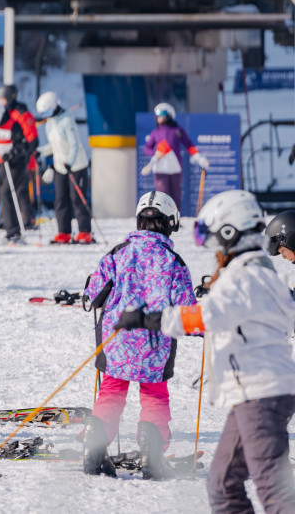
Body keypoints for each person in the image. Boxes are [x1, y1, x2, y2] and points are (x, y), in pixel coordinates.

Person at [115, 190, 295, 512]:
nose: (213, 251)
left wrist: (146, 318)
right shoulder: (258, 274)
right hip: (252, 395)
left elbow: (203, 317)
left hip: (261, 394)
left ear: (230, 235)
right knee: (223, 485)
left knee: (274, 490)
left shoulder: (245, 276)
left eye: (214, 241)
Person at [80, 191, 195, 478]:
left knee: (111, 391)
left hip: (116, 337)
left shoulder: (118, 252)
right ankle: (152, 452)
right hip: (155, 340)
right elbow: (187, 310)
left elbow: (92, 295)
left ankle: (94, 447)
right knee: (155, 394)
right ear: (170, 223)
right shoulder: (173, 261)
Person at [36, 92, 93, 244]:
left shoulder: (67, 120)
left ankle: (85, 232)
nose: (45, 115)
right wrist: (39, 151)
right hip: (60, 166)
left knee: (77, 199)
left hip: (76, 165)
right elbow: (54, 145)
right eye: (43, 113)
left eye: (47, 112)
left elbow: (74, 144)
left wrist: (69, 161)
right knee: (60, 199)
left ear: (54, 106)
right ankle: (64, 232)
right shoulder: (50, 122)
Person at [0, 99, 32, 243]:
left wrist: (12, 154)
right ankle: (10, 226)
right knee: (3, 193)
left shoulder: (13, 125)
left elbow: (23, 147)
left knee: (6, 193)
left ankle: (13, 232)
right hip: (0, 164)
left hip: (15, 164)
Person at [142, 103, 209, 213]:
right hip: (160, 169)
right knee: (162, 196)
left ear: (169, 115)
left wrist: (200, 158)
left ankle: (176, 219)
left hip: (175, 169)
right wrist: (155, 153)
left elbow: (189, 145)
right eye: (157, 115)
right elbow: (147, 149)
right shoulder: (155, 133)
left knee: (175, 196)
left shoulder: (177, 131)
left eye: (162, 114)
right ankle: (162, 219)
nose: (159, 117)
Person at [0, 85, 39, 225]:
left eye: (3, 99)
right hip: (6, 158)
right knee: (6, 188)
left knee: (20, 190)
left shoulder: (20, 113)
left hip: (21, 158)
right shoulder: (3, 112)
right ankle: (7, 218)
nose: (0, 102)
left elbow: (32, 139)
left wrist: (24, 156)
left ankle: (28, 218)